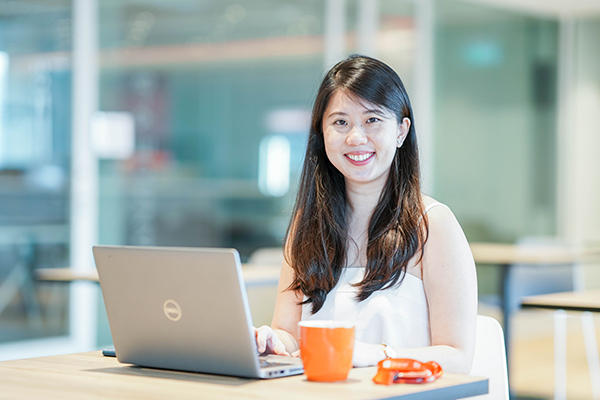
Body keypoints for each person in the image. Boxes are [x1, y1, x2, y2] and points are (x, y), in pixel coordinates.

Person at [255, 54, 477, 374]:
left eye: (372, 120)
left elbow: (458, 357)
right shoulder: (308, 225)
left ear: (401, 131)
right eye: (340, 122)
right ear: (321, 133)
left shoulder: (434, 224)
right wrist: (270, 340)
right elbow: (290, 336)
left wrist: (377, 355)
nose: (355, 137)